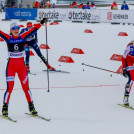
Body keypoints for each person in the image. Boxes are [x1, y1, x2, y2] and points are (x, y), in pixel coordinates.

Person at [0, 18, 47, 117]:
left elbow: (33, 30)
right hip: (11, 68)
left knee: (26, 88)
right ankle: (5, 108)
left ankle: (31, 107)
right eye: (14, 28)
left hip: (21, 68)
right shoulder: (8, 37)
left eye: (17, 28)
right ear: (11, 30)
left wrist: (41, 23)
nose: (16, 30)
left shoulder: (23, 36)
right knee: (10, 88)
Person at [122, 40, 134, 106]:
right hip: (129, 62)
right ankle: (126, 98)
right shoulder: (130, 47)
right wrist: (124, 69)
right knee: (131, 79)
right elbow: (123, 58)